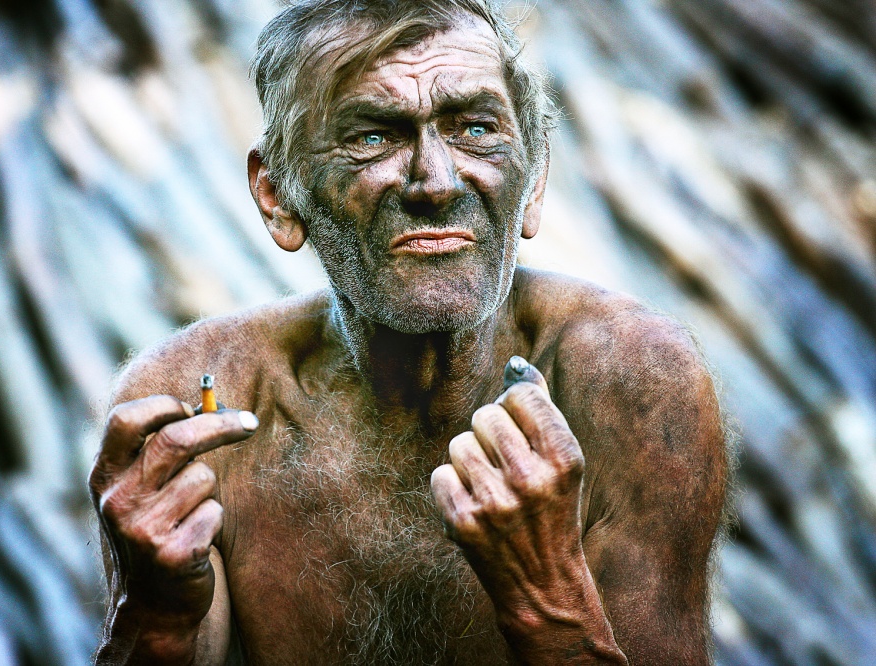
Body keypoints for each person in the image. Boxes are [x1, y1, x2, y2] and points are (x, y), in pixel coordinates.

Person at [88, 1, 729, 663]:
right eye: (373, 136)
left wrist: (549, 602)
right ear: (278, 195)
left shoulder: (635, 382)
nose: (437, 183)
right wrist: (155, 618)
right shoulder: (196, 408)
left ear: (534, 179)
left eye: (475, 128)